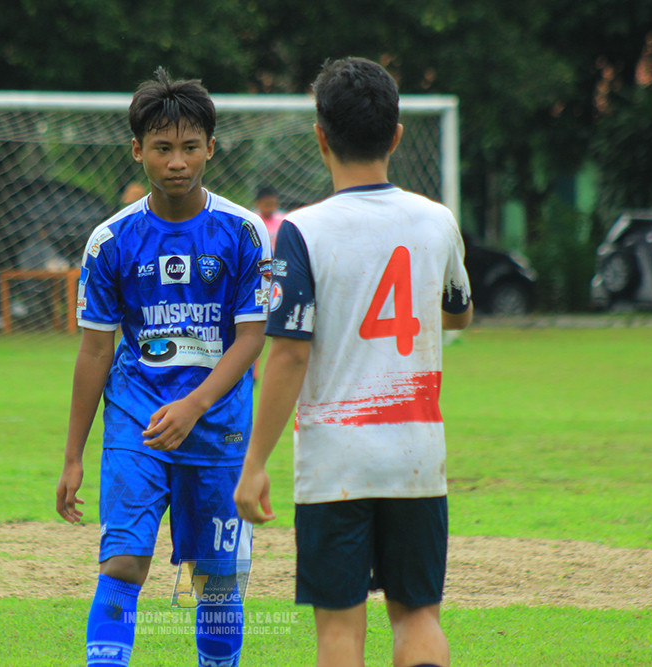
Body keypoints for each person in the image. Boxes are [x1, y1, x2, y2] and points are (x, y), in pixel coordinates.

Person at [233, 57, 473, 667]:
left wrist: (255, 461)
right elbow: (459, 313)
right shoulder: (436, 220)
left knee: (339, 632)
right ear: (396, 135)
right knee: (417, 615)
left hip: (336, 458)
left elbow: (287, 351)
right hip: (416, 454)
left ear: (320, 137)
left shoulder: (303, 230)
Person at [56, 67, 272, 667]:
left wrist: (195, 405)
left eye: (188, 147)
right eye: (161, 148)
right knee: (123, 559)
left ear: (210, 148)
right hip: (136, 418)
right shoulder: (110, 241)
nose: (176, 161)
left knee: (217, 580)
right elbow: (96, 349)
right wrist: (74, 455)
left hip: (219, 425)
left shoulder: (244, 232)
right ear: (137, 151)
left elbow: (252, 338)